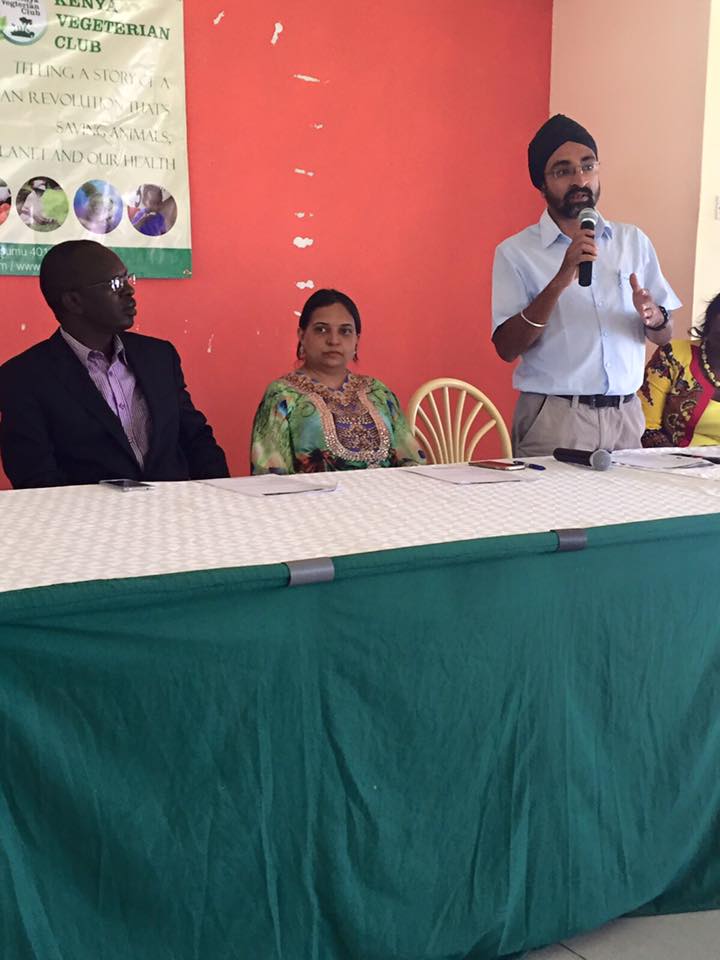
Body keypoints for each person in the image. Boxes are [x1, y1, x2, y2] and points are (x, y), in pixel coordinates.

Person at [492, 114, 681, 456]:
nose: (580, 179)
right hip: (556, 418)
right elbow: (506, 348)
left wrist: (655, 318)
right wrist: (561, 278)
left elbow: (664, 335)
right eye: (562, 171)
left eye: (588, 166)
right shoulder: (516, 252)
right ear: (541, 184)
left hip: (625, 416)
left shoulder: (633, 241)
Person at [0, 240, 229, 488]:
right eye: (115, 284)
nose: (129, 291)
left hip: (174, 506)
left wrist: (222, 496)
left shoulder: (160, 357)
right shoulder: (23, 378)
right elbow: (37, 479)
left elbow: (197, 440)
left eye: (128, 279)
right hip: (88, 512)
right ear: (74, 301)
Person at [251, 289, 424, 473]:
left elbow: (413, 460)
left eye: (345, 331)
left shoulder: (378, 391)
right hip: (315, 492)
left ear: (356, 340)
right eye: (321, 329)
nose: (334, 340)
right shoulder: (283, 395)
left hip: (389, 491)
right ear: (302, 335)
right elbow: (269, 474)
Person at [640, 293, 720, 447]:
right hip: (674, 459)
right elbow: (647, 429)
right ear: (709, 322)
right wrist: (677, 460)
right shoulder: (672, 355)